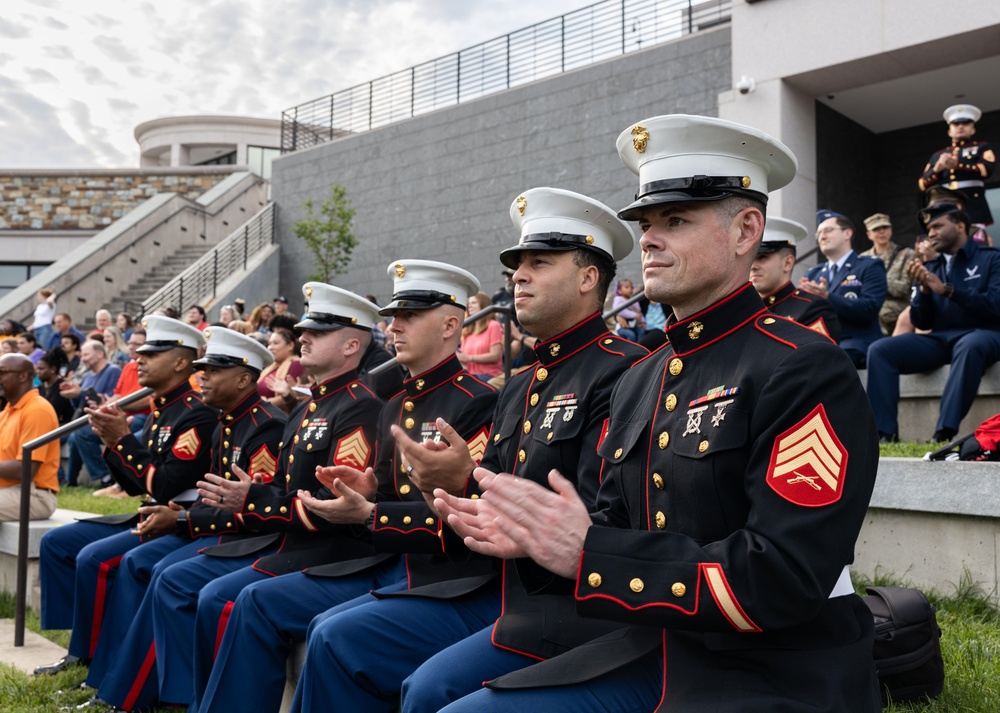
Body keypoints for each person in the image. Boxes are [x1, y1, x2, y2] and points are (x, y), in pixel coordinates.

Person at [432, 114, 881, 712]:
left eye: (675, 220)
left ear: (748, 229)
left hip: (769, 670)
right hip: (658, 646)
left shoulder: (802, 366)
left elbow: (785, 576)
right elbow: (615, 518)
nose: (648, 238)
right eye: (645, 223)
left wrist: (587, 551)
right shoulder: (644, 375)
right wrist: (532, 536)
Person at [298, 187, 647, 713]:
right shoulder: (523, 380)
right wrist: (460, 482)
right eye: (517, 265)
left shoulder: (624, 368)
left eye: (540, 262)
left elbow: (602, 515)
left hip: (573, 607)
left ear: (588, 277)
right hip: (515, 600)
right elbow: (490, 495)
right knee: (353, 646)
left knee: (423, 687)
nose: (519, 276)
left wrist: (460, 480)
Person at [198, 260, 498, 713]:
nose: (393, 326)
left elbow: (463, 517)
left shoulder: (476, 400)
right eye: (393, 316)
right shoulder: (394, 404)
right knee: (317, 625)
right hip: (402, 566)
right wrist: (365, 493)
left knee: (327, 631)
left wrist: (370, 512)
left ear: (451, 325)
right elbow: (380, 503)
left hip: (454, 577)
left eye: (409, 316)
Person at [144, 283, 384, 709]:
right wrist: (250, 494)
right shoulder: (312, 406)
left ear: (351, 345)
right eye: (305, 328)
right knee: (209, 591)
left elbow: (330, 508)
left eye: (317, 332)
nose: (303, 336)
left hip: (334, 552)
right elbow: (287, 490)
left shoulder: (358, 406)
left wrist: (251, 499)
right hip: (296, 545)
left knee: (225, 596)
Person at [77, 328, 286, 713]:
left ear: (243, 378)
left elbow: (255, 509)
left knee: (162, 573)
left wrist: (182, 519)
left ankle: (161, 694)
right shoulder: (226, 421)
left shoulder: (263, 425)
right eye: (201, 368)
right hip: (208, 523)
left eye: (212, 369)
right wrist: (116, 444)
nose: (201, 375)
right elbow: (197, 494)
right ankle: (116, 683)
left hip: (252, 539)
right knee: (121, 560)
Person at [36, 316, 215, 676]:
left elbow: (163, 486)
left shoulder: (198, 414)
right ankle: (81, 644)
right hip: (150, 513)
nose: (139, 359)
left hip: (177, 521)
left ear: (181, 362)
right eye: (140, 352)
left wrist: (122, 441)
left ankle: (97, 654)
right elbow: (136, 485)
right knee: (57, 542)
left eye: (152, 353)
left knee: (96, 559)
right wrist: (111, 443)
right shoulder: (162, 410)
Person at [866, 203, 1000, 443]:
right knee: (880, 350)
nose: (932, 233)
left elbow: (995, 306)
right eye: (929, 229)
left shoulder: (991, 258)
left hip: (984, 334)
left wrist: (949, 290)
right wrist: (925, 293)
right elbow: (921, 320)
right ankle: (884, 434)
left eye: (938, 226)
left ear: (960, 226)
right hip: (941, 338)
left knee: (970, 344)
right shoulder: (929, 268)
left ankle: (943, 432)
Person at [799, 210, 887, 368]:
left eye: (828, 230)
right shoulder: (813, 273)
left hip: (856, 344)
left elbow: (869, 309)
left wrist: (827, 296)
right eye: (818, 233)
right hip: (820, 344)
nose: (822, 237)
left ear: (847, 233)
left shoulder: (869, 265)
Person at [750, 216, 841, 342]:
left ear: (788, 263)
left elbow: (817, 359)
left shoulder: (813, 309)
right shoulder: (746, 309)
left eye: (762, 257)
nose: (753, 266)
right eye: (751, 258)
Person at [0, 353, 60, 521]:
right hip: (9, 491)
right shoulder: (7, 412)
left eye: (2, 372)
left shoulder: (37, 410)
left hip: (34, 494)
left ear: (23, 376)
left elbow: (25, 469)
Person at [918, 104, 995, 231]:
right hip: (943, 206)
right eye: (956, 124)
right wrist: (936, 169)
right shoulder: (938, 155)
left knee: (974, 241)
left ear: (973, 129)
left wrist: (959, 166)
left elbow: (987, 170)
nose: (960, 127)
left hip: (972, 206)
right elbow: (922, 184)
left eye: (965, 123)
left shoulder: (982, 147)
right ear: (949, 131)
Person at [60, 341, 122, 487]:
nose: (83, 358)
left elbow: (113, 397)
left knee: (79, 434)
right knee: (74, 437)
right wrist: (74, 395)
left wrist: (80, 393)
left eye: (86, 354)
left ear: (100, 354)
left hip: (105, 421)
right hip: (89, 419)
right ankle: (71, 480)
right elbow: (80, 405)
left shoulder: (113, 371)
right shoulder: (87, 376)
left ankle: (104, 476)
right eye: (82, 355)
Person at [860, 213, 915, 335]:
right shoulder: (863, 259)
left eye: (885, 228)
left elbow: (903, 288)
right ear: (869, 235)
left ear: (891, 230)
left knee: (879, 312)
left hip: (898, 304)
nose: (881, 232)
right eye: (876, 229)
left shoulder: (906, 254)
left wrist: (875, 282)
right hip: (871, 302)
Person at [257, 327, 305, 410]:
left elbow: (291, 394)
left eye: (275, 343)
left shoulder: (296, 364)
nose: (270, 347)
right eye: (269, 344)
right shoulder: (271, 366)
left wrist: (264, 403)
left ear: (290, 345)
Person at [458, 292, 503, 377]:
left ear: (483, 305)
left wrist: (470, 358)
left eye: (473, 302)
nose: (469, 306)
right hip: (470, 375)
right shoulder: (467, 330)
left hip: (489, 375)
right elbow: (465, 358)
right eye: (468, 303)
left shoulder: (493, 325)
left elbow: (495, 356)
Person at [36, 349, 74, 427]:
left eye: (41, 369)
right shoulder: (39, 388)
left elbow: (53, 411)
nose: (38, 372)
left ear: (53, 369)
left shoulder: (63, 387)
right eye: (37, 368)